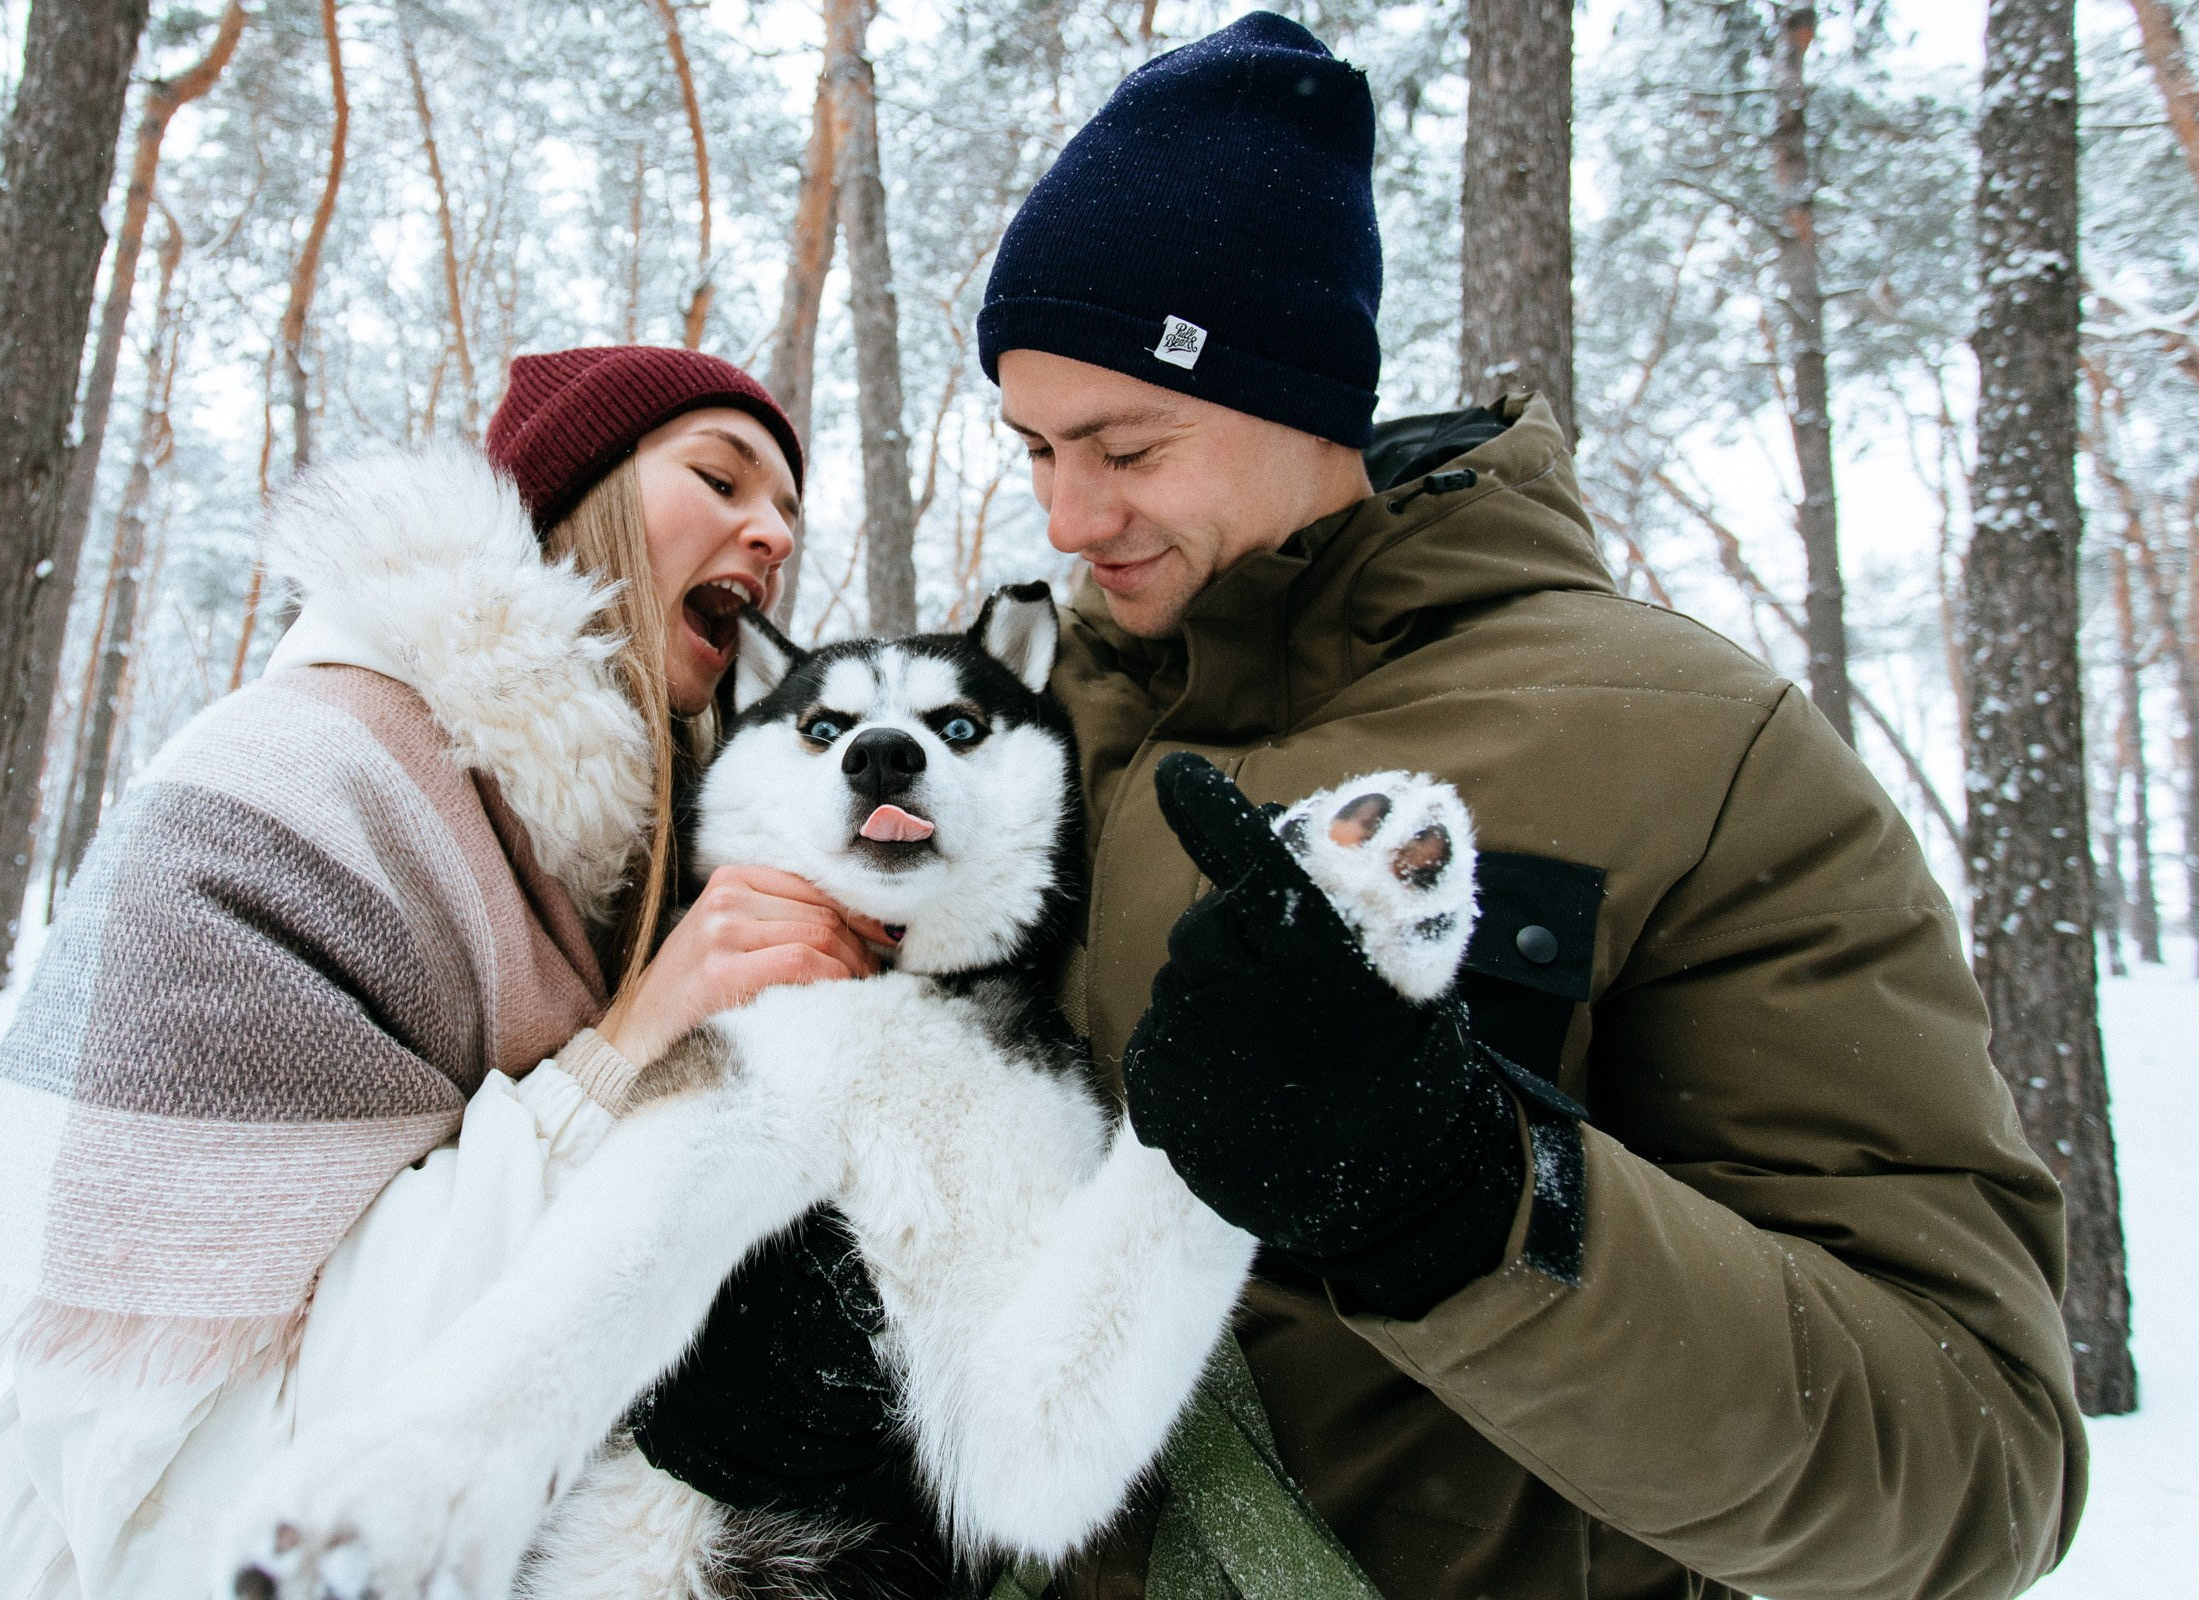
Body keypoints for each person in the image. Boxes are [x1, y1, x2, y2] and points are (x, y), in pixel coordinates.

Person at [635, 14, 2087, 1600]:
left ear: (1303, 397)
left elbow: (1978, 1468)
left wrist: (1463, 1198)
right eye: (1036, 448)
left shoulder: (1689, 749)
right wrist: (771, 1330)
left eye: (1127, 446)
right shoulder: (1022, 742)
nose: (1068, 514)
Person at [0, 345, 896, 1598]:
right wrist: (628, 1051)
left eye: (789, 513)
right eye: (720, 478)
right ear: (577, 500)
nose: (773, 534)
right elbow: (185, 1465)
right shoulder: (299, 784)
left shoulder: (608, 854)